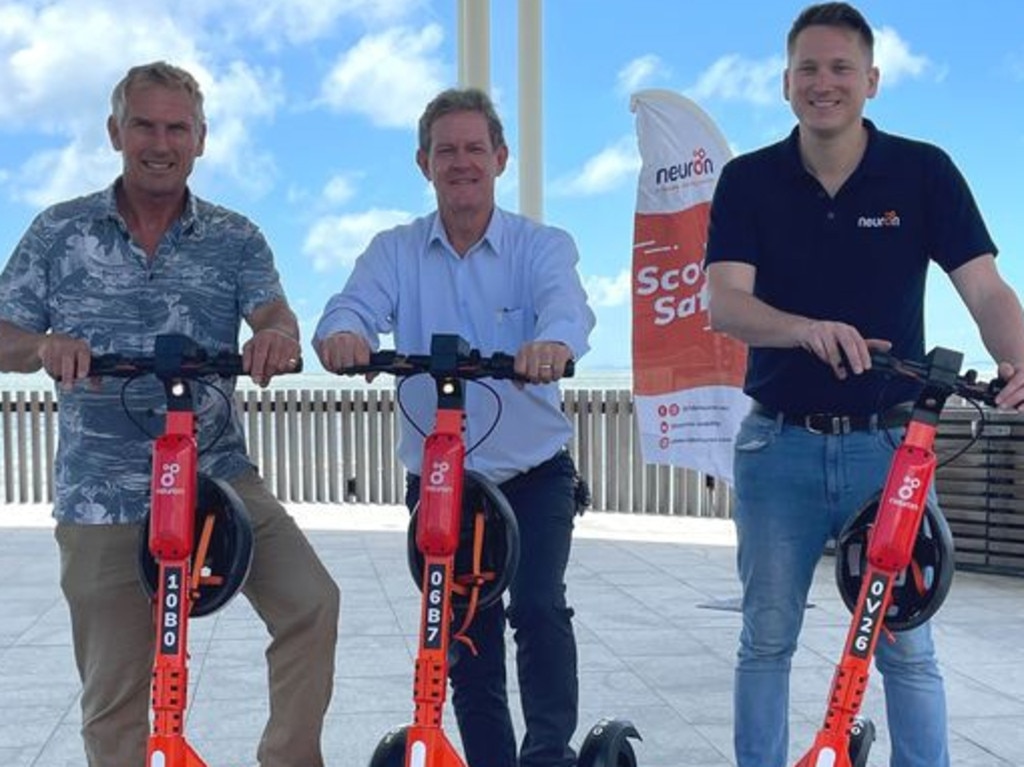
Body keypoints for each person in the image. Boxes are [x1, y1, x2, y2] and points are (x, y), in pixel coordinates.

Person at [704, 4, 1024, 767]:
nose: (825, 84)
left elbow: (983, 288)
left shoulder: (923, 171)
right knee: (766, 639)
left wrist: (1019, 355)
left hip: (892, 451)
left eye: (841, 68)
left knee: (907, 646)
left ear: (871, 80)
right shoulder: (749, 180)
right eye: (808, 70)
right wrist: (804, 327)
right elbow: (725, 303)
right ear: (785, 84)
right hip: (776, 443)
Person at [0, 62, 340, 767]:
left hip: (218, 473)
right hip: (104, 489)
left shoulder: (234, 236)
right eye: (145, 125)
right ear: (115, 132)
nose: (161, 142)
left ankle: (288, 758)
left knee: (312, 602)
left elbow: (274, 312)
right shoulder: (59, 231)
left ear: (201, 139)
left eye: (176, 127)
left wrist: (276, 335)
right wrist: (42, 344)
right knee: (115, 692)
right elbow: (4, 334)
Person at [314, 87, 595, 767]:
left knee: (534, 605)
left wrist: (551, 346)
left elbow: (568, 311)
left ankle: (548, 752)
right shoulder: (396, 251)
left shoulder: (541, 246)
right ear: (424, 162)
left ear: (499, 158)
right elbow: (347, 309)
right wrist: (345, 337)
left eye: (475, 148)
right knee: (463, 627)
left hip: (533, 473)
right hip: (443, 480)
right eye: (447, 150)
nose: (462, 162)